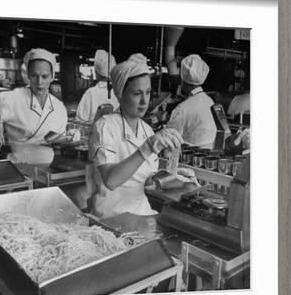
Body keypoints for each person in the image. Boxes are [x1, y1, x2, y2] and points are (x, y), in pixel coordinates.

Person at [88, 58, 184, 218]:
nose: (144, 101)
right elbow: (111, 181)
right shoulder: (105, 127)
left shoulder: (146, 130)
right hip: (112, 216)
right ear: (120, 94)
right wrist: (147, 148)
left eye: (147, 92)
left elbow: (145, 182)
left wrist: (173, 176)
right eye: (137, 93)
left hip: (142, 212)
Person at [0, 48, 68, 156]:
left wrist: (72, 137)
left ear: (52, 76)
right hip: (19, 166)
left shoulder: (59, 108)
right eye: (34, 76)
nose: (39, 82)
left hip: (51, 168)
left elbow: (59, 143)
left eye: (45, 76)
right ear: (28, 75)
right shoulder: (12, 99)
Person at [165, 54, 216, 149]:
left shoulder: (183, 109)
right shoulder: (210, 102)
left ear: (183, 79)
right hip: (208, 155)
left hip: (188, 158)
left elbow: (167, 140)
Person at [76, 50, 118, 123]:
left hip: (94, 133)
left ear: (96, 72)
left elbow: (80, 122)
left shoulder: (91, 93)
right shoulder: (121, 93)